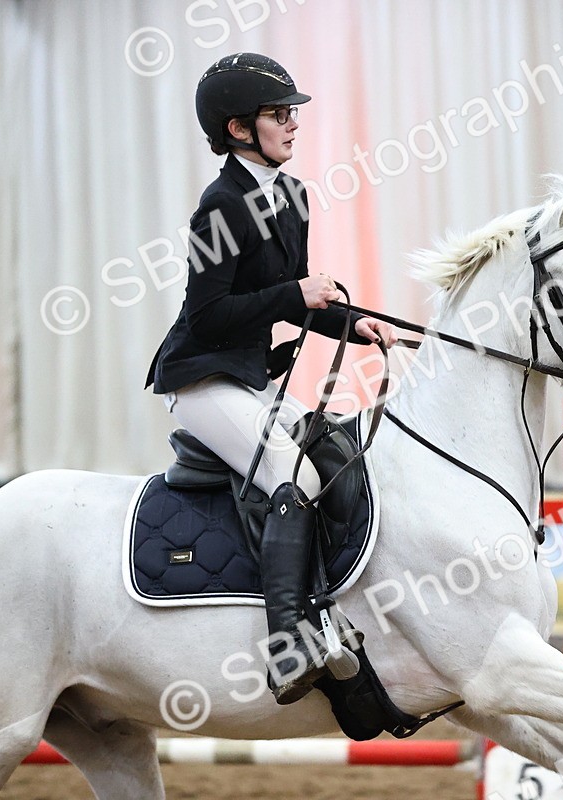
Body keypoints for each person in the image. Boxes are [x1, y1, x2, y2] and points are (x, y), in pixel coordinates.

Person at [145, 53, 397, 704]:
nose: (292, 125)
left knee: (334, 453)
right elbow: (207, 317)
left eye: (292, 114)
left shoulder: (292, 197)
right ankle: (288, 646)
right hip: (202, 379)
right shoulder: (220, 207)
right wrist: (297, 295)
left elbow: (295, 298)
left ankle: (329, 615)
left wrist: (354, 326)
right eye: (278, 115)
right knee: (293, 474)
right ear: (238, 130)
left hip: (248, 379)